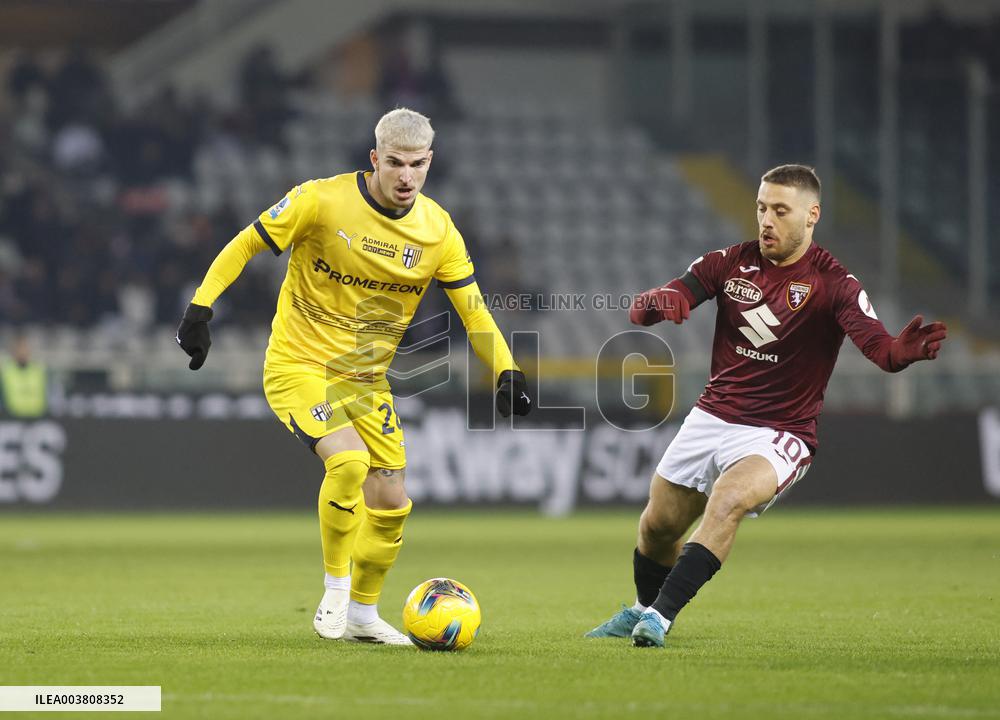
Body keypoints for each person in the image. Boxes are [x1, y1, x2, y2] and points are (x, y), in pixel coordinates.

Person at [176, 108, 532, 645]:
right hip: (298, 365)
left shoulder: (438, 231)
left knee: (391, 503)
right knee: (348, 461)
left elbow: (474, 312)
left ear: (430, 163)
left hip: (365, 382)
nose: (406, 176)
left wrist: (506, 370)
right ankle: (336, 591)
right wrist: (200, 309)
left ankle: (365, 615)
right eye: (395, 163)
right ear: (375, 159)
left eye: (417, 164)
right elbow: (247, 241)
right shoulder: (321, 200)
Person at [586, 164, 947, 648]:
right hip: (712, 416)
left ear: (812, 215)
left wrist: (900, 354)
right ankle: (642, 609)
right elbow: (647, 307)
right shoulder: (728, 262)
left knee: (729, 499)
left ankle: (660, 618)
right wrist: (660, 301)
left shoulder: (835, 283)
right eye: (761, 208)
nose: (767, 221)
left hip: (779, 432)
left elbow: (879, 349)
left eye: (780, 210)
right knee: (657, 526)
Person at [0, 333, 48, 418]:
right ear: (13, 350)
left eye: (24, 348)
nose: (22, 351)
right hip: (11, 419)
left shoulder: (38, 371)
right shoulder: (5, 371)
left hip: (37, 419)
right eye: (19, 348)